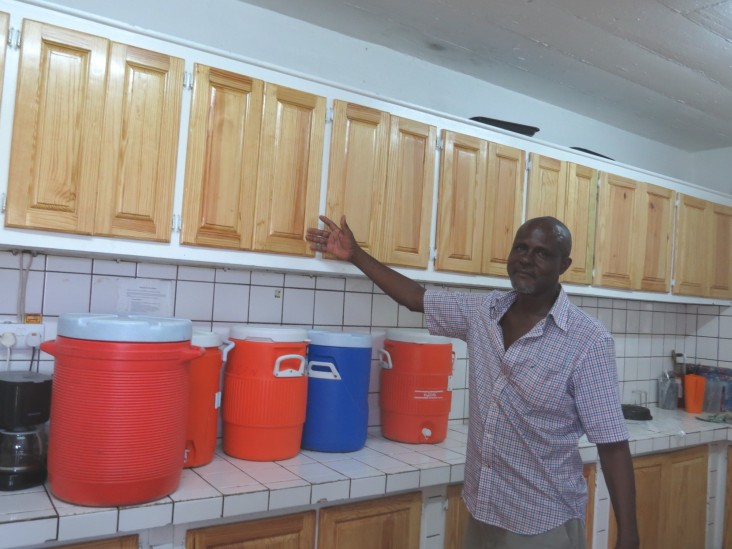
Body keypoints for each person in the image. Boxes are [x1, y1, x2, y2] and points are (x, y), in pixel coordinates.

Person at [306, 214, 639, 549]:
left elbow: (612, 445)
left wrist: (629, 535)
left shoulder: (587, 341)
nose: (526, 258)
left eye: (541, 253)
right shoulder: (484, 312)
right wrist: (356, 254)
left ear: (563, 265)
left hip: (543, 523)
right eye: (520, 247)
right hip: (483, 511)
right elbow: (414, 298)